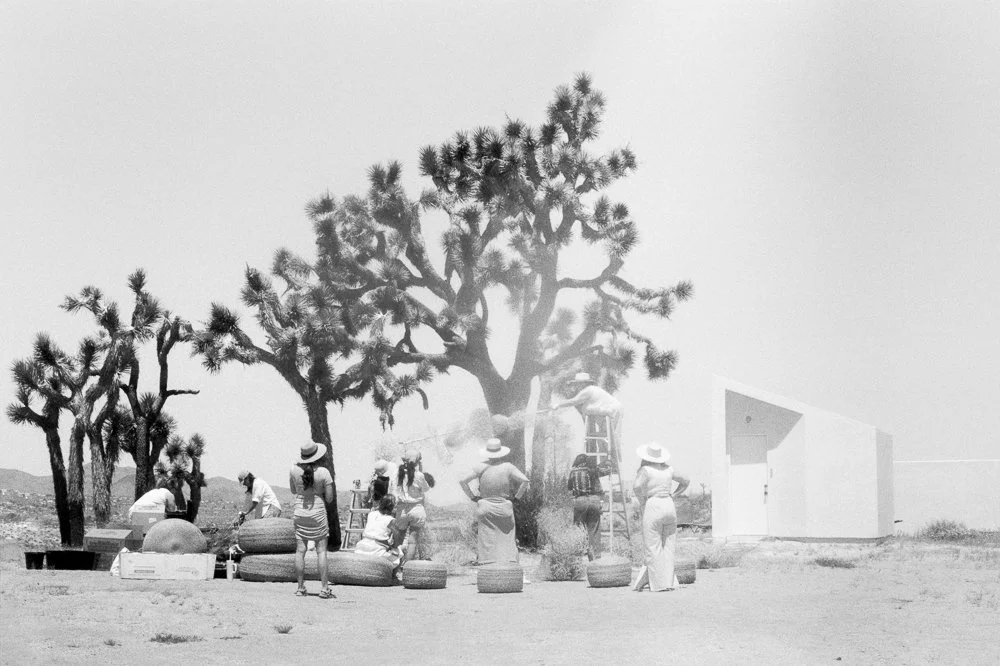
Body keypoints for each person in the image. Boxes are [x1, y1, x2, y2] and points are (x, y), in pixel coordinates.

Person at [459, 438, 530, 565]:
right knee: (508, 540)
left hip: (485, 506)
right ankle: (510, 567)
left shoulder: (480, 467)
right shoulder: (508, 467)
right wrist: (516, 498)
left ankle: (488, 568)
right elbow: (525, 481)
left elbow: (462, 481)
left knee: (487, 541)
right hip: (504, 507)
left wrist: (473, 497)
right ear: (501, 452)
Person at [631, 442, 690, 592]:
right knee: (669, 546)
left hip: (654, 503)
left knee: (653, 545)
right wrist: (675, 494)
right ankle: (669, 581)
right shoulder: (669, 469)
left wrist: (642, 500)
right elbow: (686, 480)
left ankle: (658, 583)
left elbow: (637, 486)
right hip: (669, 504)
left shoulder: (645, 470)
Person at [288, 441, 335, 599]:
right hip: (318, 512)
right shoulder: (324, 472)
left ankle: (300, 588)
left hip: (300, 510)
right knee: (321, 551)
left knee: (300, 551)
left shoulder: (294, 470)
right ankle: (324, 588)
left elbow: (294, 490)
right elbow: (329, 499)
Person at [555, 372, 624, 461]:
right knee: (610, 438)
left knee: (611, 438)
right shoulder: (593, 390)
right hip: (612, 411)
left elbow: (574, 401)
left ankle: (610, 462)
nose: (577, 386)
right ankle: (609, 462)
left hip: (612, 411)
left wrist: (558, 405)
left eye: (578, 384)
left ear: (583, 383)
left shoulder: (588, 390)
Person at [567, 453, 612, 560]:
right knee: (594, 529)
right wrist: (609, 465)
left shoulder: (573, 472)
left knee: (579, 529)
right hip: (594, 500)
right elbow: (606, 471)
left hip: (580, 501)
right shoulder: (592, 470)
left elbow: (569, 488)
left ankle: (577, 557)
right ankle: (594, 557)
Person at [394, 449, 435, 563]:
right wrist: (421, 471)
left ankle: (395, 565)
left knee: (399, 540)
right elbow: (426, 489)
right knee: (412, 541)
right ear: (417, 461)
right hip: (417, 509)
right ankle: (407, 567)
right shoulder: (419, 475)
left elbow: (395, 489)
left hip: (402, 509)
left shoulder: (399, 473)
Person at [354, 495, 402, 574]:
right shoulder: (390, 520)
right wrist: (393, 547)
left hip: (361, 546)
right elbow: (397, 538)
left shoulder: (371, 514)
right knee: (399, 553)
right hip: (376, 550)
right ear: (392, 507)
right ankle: (393, 577)